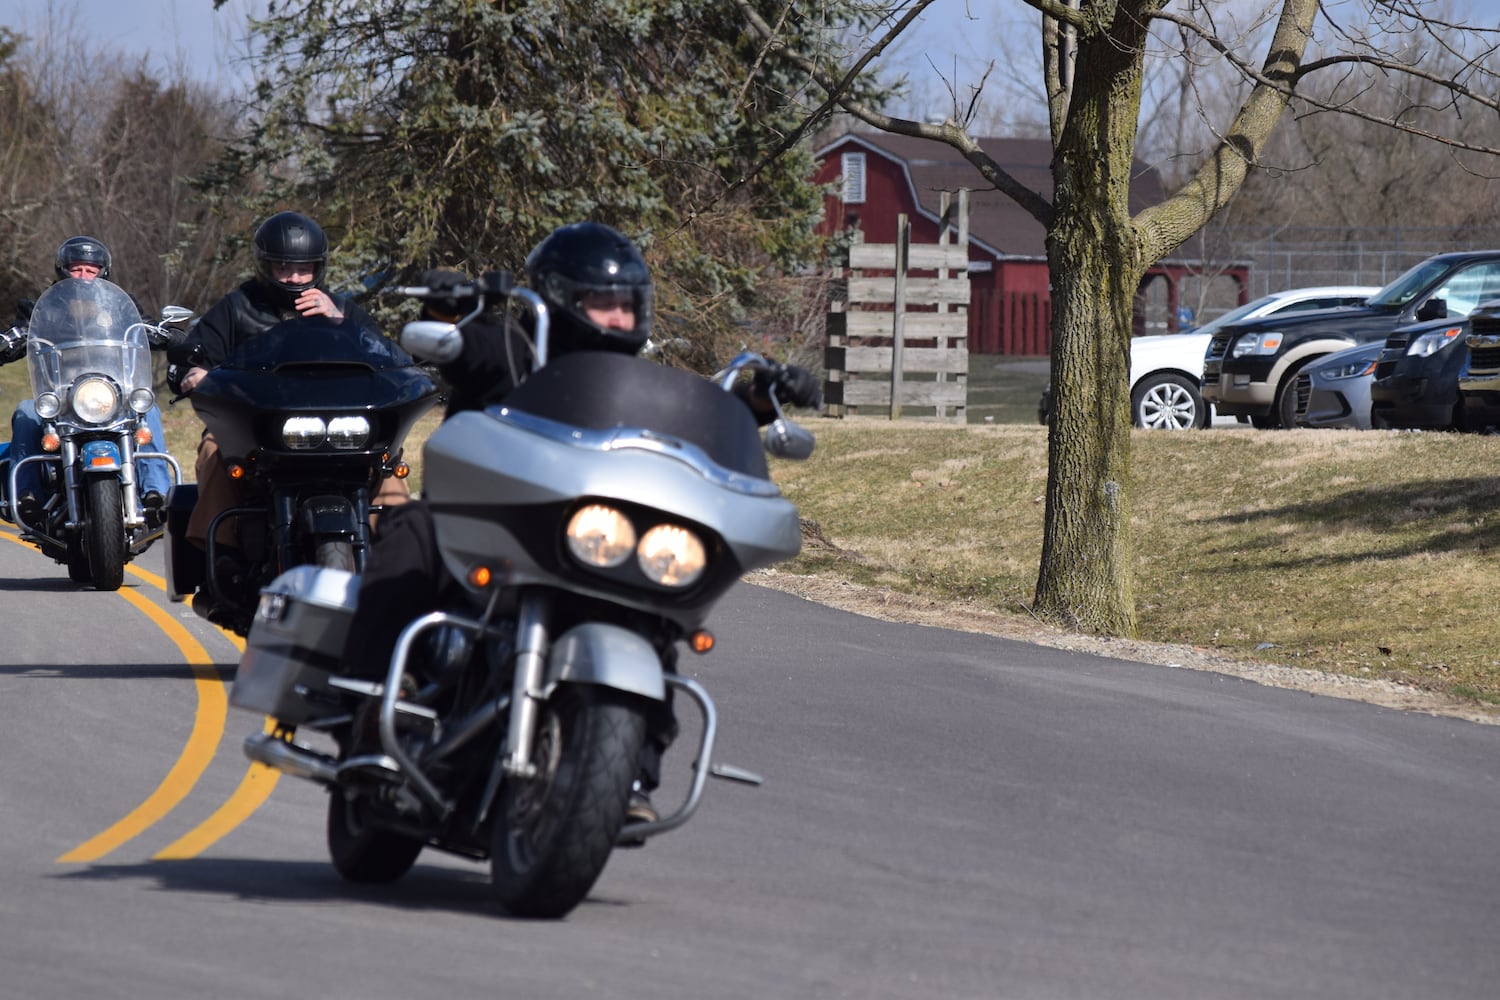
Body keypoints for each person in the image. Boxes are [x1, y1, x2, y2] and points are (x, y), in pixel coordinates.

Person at [338, 221, 821, 833]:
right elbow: (469, 348)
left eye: (628, 306)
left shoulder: (646, 390)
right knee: (413, 530)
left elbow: (697, 424)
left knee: (656, 622)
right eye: (603, 304)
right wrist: (451, 312)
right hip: (497, 529)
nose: (618, 319)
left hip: (591, 545)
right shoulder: (511, 349)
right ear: (562, 299)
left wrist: (754, 402)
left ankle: (632, 772)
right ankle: (365, 707)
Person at [167, 210, 412, 558]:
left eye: (304, 268)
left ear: (319, 266)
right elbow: (192, 357)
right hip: (258, 427)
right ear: (265, 265)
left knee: (387, 457)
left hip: (341, 426)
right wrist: (194, 373)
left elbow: (390, 359)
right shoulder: (237, 307)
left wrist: (340, 322)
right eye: (284, 267)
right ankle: (221, 551)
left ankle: (402, 549)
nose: (295, 277)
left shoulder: (341, 309)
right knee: (213, 448)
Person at [2, 236, 174, 527]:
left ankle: (156, 492)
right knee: (27, 412)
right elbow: (21, 331)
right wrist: (11, 339)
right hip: (61, 398)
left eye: (91, 270)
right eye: (76, 269)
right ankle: (28, 495)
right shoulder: (42, 310)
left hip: (111, 397)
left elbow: (141, 326)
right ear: (63, 271)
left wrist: (165, 332)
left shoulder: (120, 307)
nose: (83, 276)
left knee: (149, 410)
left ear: (103, 273)